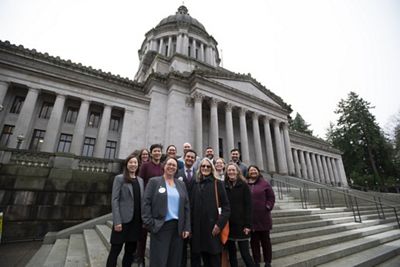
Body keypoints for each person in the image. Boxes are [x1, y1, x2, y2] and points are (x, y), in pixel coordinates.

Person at [142, 157, 191, 267]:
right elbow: (146, 203)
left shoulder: (181, 184)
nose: (171, 167)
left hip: (178, 228)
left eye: (174, 165)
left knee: (174, 260)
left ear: (177, 169)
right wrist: (150, 223)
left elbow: (186, 207)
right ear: (164, 166)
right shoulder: (154, 182)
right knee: (159, 260)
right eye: (169, 164)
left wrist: (186, 227)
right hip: (160, 226)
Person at [191, 158, 230, 267]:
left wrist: (219, 225)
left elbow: (226, 208)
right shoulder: (196, 184)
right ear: (200, 168)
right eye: (203, 166)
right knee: (204, 259)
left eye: (208, 166)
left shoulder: (218, 184)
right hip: (198, 231)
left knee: (214, 261)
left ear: (212, 168)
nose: (205, 168)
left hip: (213, 229)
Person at [106, 155, 144, 267]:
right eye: (131, 162)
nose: (133, 165)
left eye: (135, 163)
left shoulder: (140, 180)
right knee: (115, 250)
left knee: (130, 252)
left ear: (138, 165)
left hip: (136, 222)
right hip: (122, 222)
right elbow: (115, 200)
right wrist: (117, 221)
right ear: (126, 165)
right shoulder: (119, 178)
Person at [136, 143, 164, 266]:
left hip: (160, 203)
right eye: (155, 151)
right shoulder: (145, 166)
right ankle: (140, 258)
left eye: (159, 151)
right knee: (143, 233)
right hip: (147, 203)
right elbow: (140, 182)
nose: (157, 153)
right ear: (151, 153)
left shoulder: (163, 167)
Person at [224, 163, 255, 267]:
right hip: (229, 225)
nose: (231, 172)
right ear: (226, 173)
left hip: (242, 225)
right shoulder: (224, 185)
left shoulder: (244, 185)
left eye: (233, 170)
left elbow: (249, 206)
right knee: (232, 255)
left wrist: (248, 225)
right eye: (229, 170)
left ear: (237, 171)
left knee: (245, 254)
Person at [246, 165, 275, 267]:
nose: (253, 172)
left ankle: (268, 262)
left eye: (254, 170)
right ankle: (257, 261)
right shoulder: (246, 184)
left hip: (263, 218)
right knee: (254, 243)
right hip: (252, 219)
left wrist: (267, 207)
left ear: (258, 172)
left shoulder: (265, 183)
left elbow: (271, 197)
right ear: (248, 173)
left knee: (266, 241)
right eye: (251, 171)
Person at [176, 149, 197, 267]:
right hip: (181, 212)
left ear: (195, 160)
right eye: (188, 157)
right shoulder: (177, 173)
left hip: (195, 212)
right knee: (182, 244)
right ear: (184, 158)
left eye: (192, 157)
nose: (190, 159)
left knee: (194, 244)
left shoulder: (199, 174)